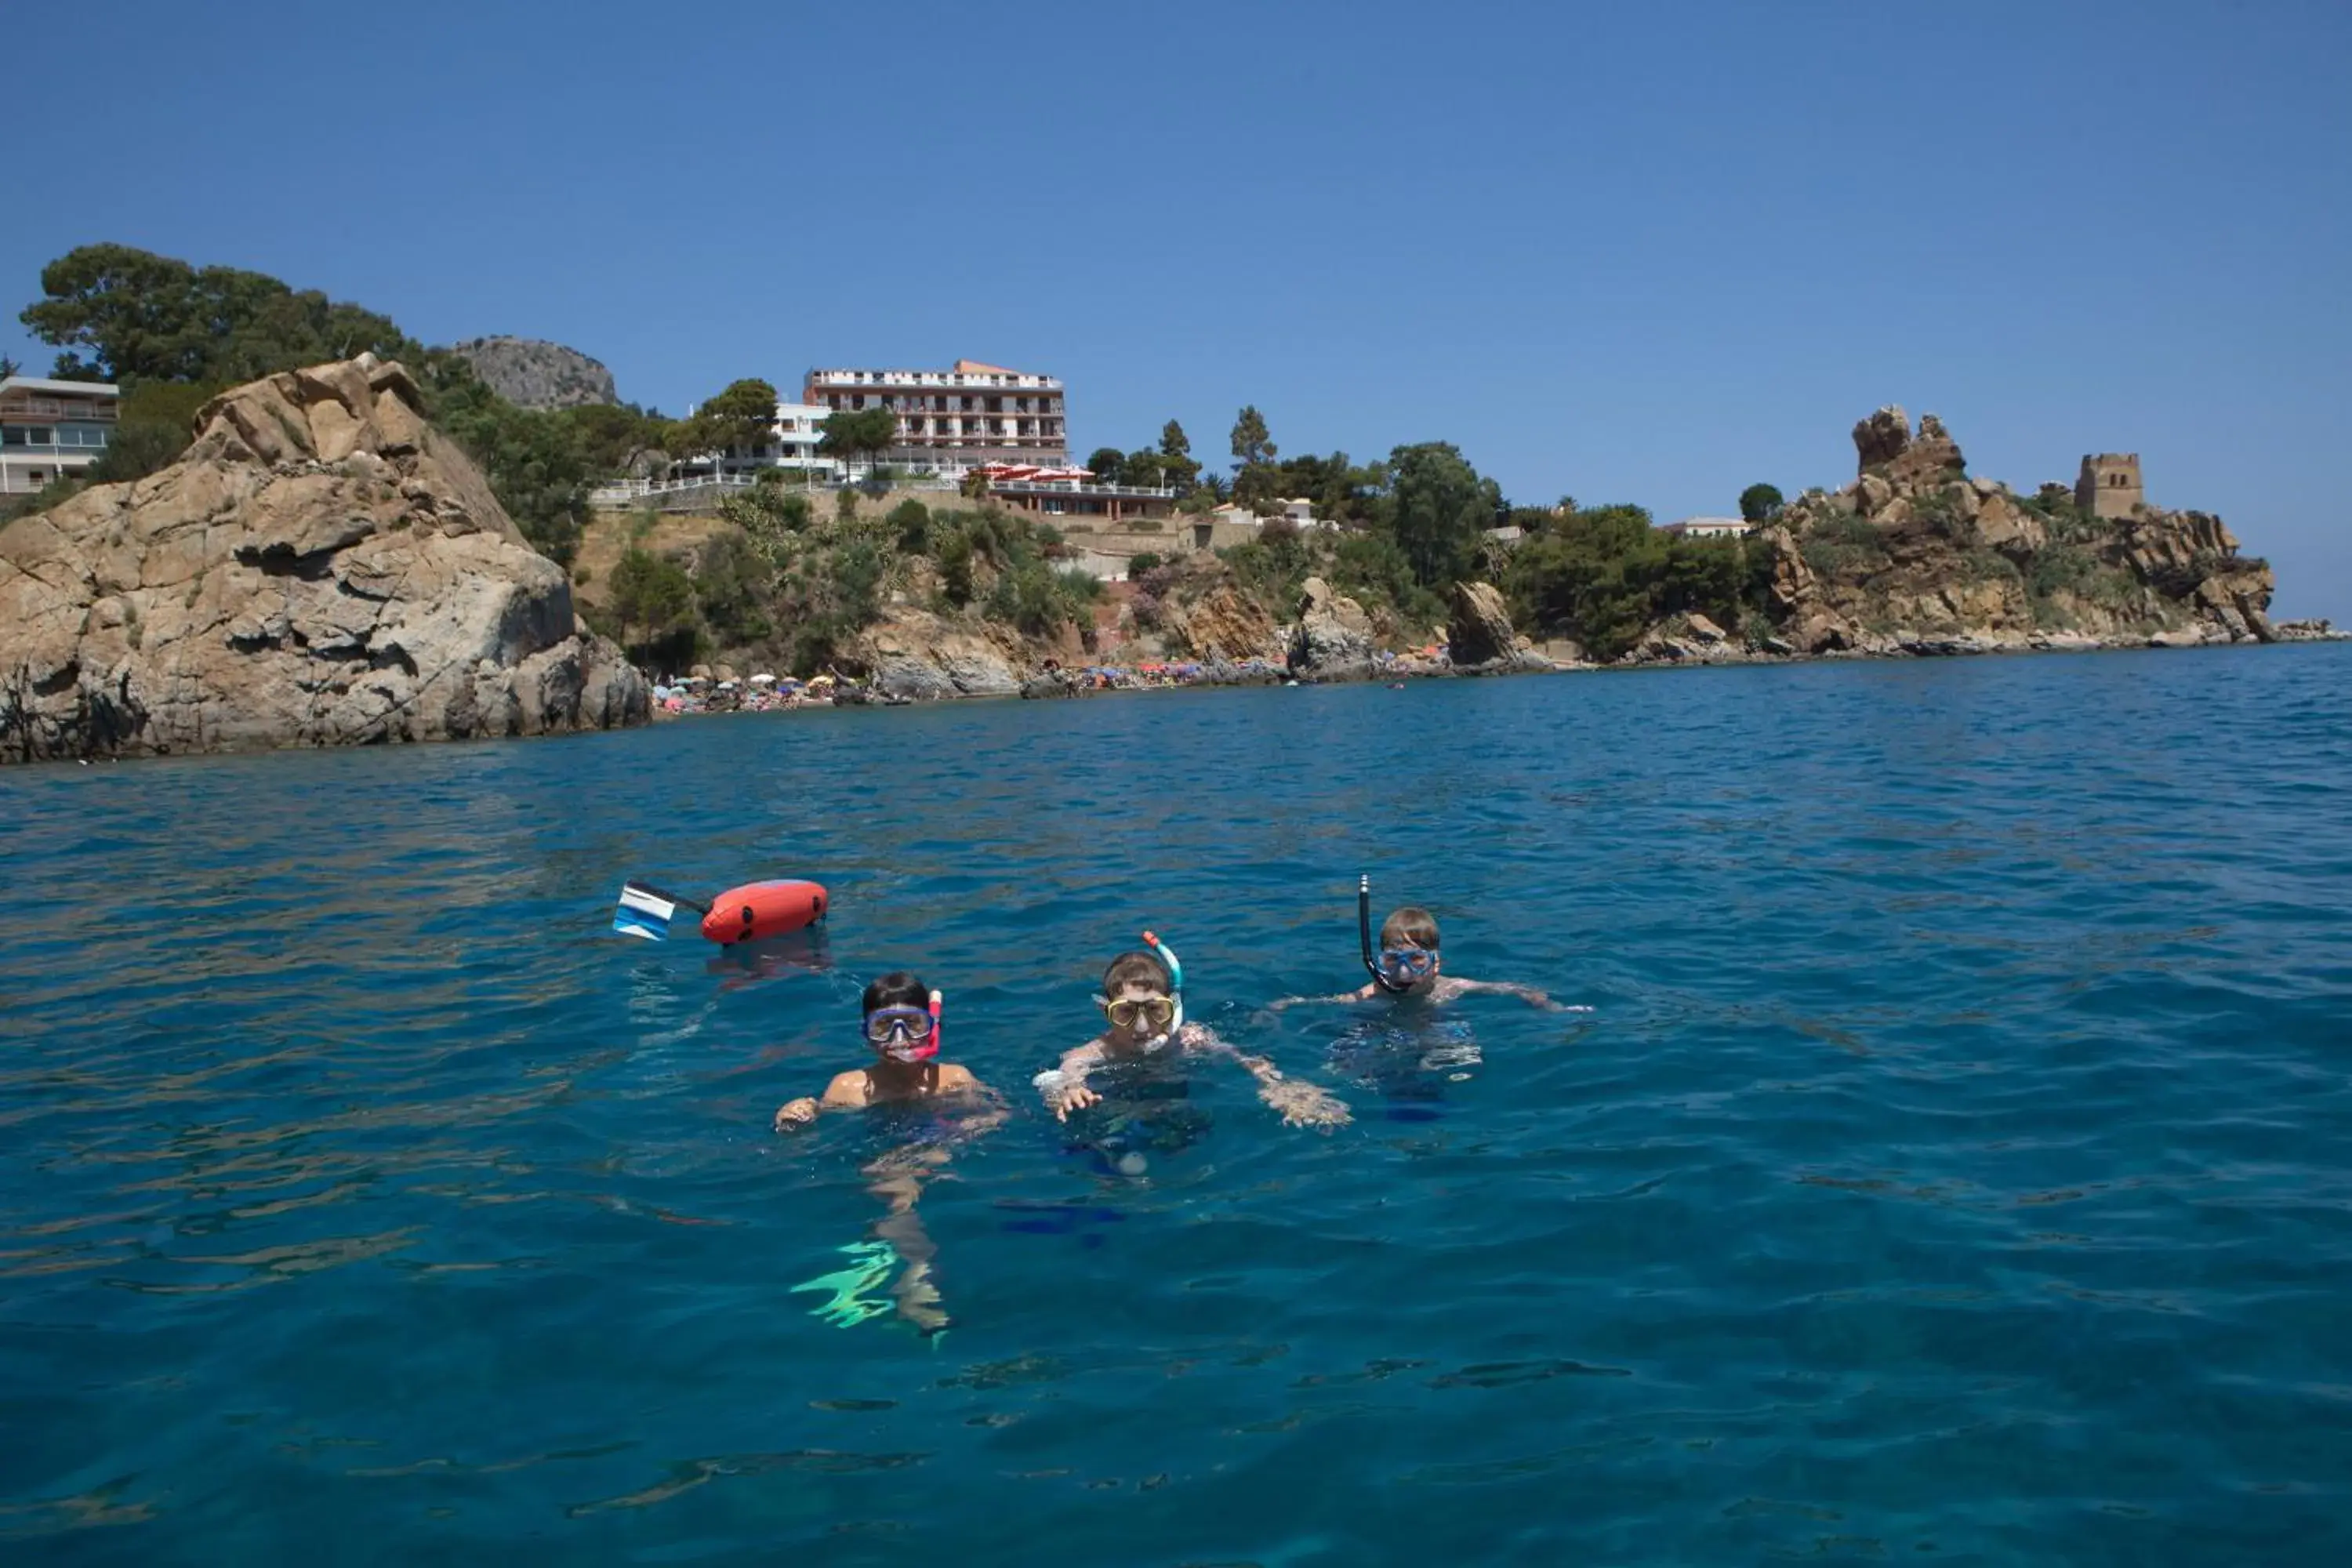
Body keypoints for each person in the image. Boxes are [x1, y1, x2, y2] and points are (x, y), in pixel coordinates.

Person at [775, 972, 996, 1335]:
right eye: (884, 1028)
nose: (898, 1040)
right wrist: (795, 1115)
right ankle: (915, 1279)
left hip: (937, 1148)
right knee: (899, 1191)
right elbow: (817, 1117)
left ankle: (881, 1256)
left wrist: (961, 1135)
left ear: (932, 1027)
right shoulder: (849, 1087)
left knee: (909, 1189)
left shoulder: (954, 1078)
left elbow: (995, 1115)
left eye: (912, 1025)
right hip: (881, 1157)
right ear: (866, 1034)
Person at [1036, 937, 1351, 1133]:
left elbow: (1246, 1061)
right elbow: (1066, 1071)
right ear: (1106, 1012)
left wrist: (1280, 1087)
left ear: (1173, 1008)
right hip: (1117, 1103)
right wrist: (1067, 1090)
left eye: (1155, 1010)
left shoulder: (1191, 1038)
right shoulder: (1096, 1053)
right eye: (1125, 1012)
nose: (1142, 1026)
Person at [1271, 905, 1562, 1010]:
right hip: (1385, 1034)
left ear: (1437, 963)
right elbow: (1332, 1002)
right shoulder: (1372, 994)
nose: (1404, 971)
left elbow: (1508, 988)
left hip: (1435, 1033)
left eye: (1417, 959)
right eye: (1393, 960)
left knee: (1459, 1052)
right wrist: (1287, 1004)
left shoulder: (1452, 987)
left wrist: (1537, 998)